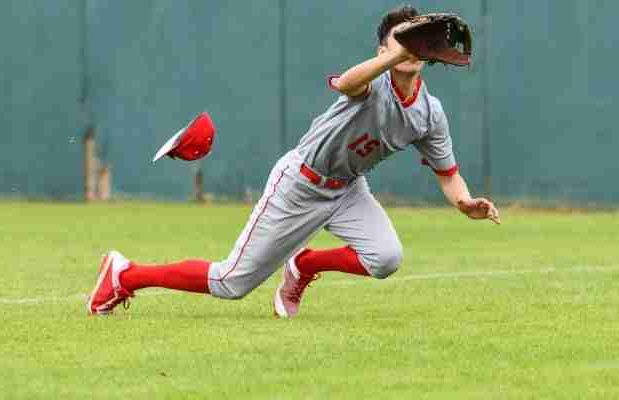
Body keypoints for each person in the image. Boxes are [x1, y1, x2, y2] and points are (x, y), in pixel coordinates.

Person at [87, 5, 500, 318]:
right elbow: (348, 83)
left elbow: (449, 174)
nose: (412, 45)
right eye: (401, 38)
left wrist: (464, 202)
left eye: (418, 39)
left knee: (386, 258)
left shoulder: (430, 112)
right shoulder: (372, 82)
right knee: (230, 283)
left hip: (348, 190)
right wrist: (395, 56)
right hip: (300, 184)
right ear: (382, 49)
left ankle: (304, 264)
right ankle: (125, 274)